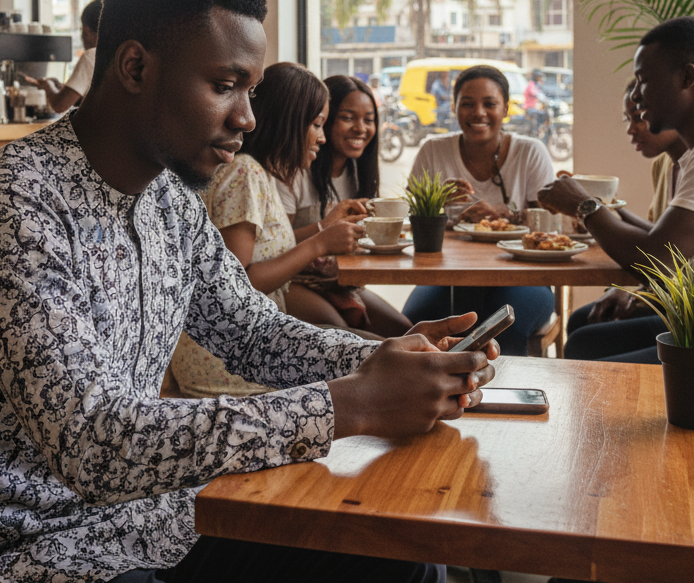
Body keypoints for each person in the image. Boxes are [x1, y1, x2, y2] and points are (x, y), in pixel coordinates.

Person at [0, 0, 498, 583]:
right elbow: (95, 444)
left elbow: (251, 332)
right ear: (134, 67)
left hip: (138, 523)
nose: (248, 117)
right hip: (10, 567)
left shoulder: (167, 199)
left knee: (408, 574)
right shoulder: (14, 206)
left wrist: (385, 359)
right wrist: (354, 403)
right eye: (225, 85)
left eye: (251, 90)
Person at [540, 16, 694, 363]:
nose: (635, 95)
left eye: (644, 81)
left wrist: (584, 205)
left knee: (587, 371)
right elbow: (669, 246)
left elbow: (659, 259)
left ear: (687, 78)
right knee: (584, 332)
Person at [170, 63, 373, 399]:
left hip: (245, 351)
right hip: (226, 367)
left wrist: (325, 230)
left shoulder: (258, 174)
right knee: (373, 362)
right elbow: (238, 285)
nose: (322, 137)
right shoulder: (245, 174)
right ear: (288, 122)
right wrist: (319, 244)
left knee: (373, 347)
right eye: (316, 124)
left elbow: (264, 250)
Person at [403, 65, 555, 357]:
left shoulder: (530, 152)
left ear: (506, 108)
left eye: (489, 103)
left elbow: (548, 226)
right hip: (447, 278)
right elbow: (411, 222)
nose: (479, 113)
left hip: (524, 278)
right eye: (467, 104)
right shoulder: (433, 151)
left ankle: (503, 388)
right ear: (454, 107)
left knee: (502, 328)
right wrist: (438, 202)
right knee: (412, 326)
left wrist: (503, 215)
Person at [279, 74, 410, 337]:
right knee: (344, 335)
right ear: (324, 120)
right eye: (348, 118)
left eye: (369, 120)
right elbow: (274, 247)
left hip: (336, 281)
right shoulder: (296, 172)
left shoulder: (356, 172)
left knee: (404, 330)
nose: (361, 128)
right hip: (290, 281)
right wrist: (324, 229)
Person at [561, 83, 688, 350]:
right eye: (627, 119)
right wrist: (611, 208)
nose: (631, 129)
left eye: (640, 116)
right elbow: (657, 236)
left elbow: (667, 257)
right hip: (672, 296)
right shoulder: (664, 164)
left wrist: (588, 208)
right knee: (580, 321)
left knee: (582, 342)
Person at [31, 0, 102, 114]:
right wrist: (65, 88)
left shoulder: (92, 56)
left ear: (86, 31)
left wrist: (47, 85)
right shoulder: (122, 55)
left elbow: (60, 105)